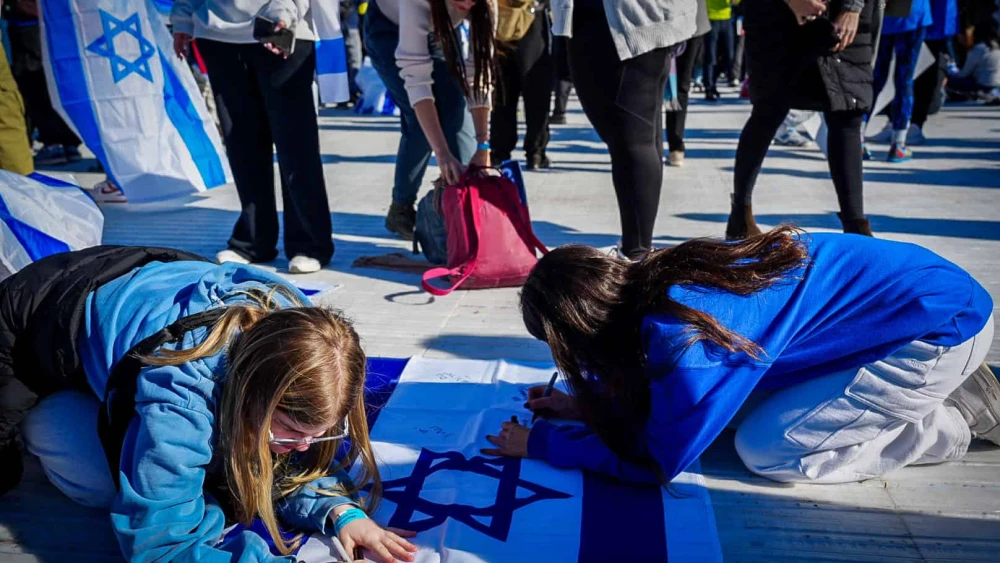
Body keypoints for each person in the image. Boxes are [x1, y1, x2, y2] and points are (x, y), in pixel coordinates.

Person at [482, 229, 997, 487]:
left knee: (767, 449)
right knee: (726, 415)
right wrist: (585, 406)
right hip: (913, 301)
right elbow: (659, 397)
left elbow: (658, 461)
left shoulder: (686, 342)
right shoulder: (655, 282)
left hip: (938, 328)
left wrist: (546, 444)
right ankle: (933, 389)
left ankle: (952, 420)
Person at [0, 246, 416, 562]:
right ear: (249, 396)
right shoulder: (181, 391)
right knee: (98, 482)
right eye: (290, 430)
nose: (306, 446)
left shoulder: (310, 342)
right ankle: (43, 420)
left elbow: (295, 464)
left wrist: (343, 513)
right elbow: (159, 542)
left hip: (144, 297)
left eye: (322, 432)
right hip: (33, 322)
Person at [171, 0, 335, 274]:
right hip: (216, 32)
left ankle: (309, 243)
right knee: (241, 141)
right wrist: (183, 18)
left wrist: (284, 12)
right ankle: (253, 239)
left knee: (295, 145)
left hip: (280, 26)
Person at [552, 0, 697, 260]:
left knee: (632, 141)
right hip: (643, 18)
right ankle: (637, 248)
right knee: (642, 138)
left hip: (622, 20)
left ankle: (636, 254)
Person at [728, 0, 876, 239]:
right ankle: (740, 218)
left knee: (848, 110)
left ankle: (856, 227)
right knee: (768, 108)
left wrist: (853, 7)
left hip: (842, 12)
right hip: (775, 14)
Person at [364, 0, 495, 240]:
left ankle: (467, 203)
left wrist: (483, 145)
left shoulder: (485, 3)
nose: (466, 2)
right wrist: (442, 154)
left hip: (441, 28)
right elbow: (417, 83)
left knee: (456, 110)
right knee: (421, 124)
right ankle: (401, 208)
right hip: (389, 29)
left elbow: (479, 73)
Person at [4, 0, 84, 167]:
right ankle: (67, 142)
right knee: (56, 80)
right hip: (57, 19)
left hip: (30, 19)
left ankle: (54, 142)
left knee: (34, 84)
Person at [863, 0, 933, 163]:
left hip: (882, 14)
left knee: (875, 79)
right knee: (904, 80)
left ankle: (858, 139)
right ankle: (898, 144)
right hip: (913, 16)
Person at [491, 0, 554, 170]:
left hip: (500, 22)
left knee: (503, 95)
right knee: (536, 94)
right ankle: (535, 153)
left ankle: (500, 152)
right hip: (532, 19)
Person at [665, 0, 710, 167]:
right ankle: (666, 147)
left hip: (689, 20)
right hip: (655, 20)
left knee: (677, 86)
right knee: (657, 86)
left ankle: (674, 146)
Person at [946, 21, 1000, 96]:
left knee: (947, 79)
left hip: (983, 86)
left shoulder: (978, 49)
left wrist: (951, 70)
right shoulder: (997, 48)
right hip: (998, 85)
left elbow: (963, 74)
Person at [703, 0, 735, 101]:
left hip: (727, 19)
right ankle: (709, 88)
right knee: (710, 56)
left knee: (729, 55)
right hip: (711, 18)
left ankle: (713, 82)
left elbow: (736, 2)